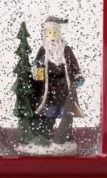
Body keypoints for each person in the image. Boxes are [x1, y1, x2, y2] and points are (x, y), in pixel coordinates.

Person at [31, 16, 85, 146]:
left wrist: (78, 76)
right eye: (50, 32)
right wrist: (37, 67)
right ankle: (46, 133)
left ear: (59, 32)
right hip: (49, 88)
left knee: (67, 111)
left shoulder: (66, 50)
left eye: (55, 31)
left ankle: (66, 134)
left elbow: (74, 64)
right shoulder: (43, 50)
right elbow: (36, 65)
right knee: (49, 111)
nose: (53, 35)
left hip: (64, 86)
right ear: (46, 34)